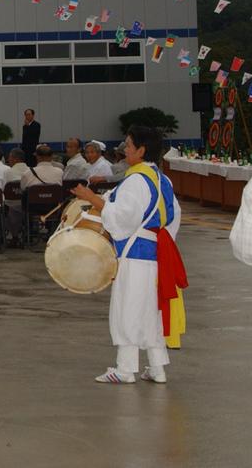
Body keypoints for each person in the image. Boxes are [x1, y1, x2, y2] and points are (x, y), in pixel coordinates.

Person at [71, 126, 186, 384]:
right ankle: (157, 368)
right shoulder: (161, 179)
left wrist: (92, 198)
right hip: (157, 253)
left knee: (129, 309)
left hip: (135, 255)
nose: (125, 149)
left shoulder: (136, 180)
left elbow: (122, 217)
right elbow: (173, 217)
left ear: (141, 150)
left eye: (129, 145)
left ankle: (125, 369)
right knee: (151, 311)